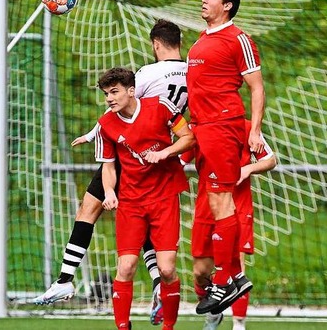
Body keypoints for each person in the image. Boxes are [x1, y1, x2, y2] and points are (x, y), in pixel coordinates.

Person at [33, 19, 187, 324]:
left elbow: (118, 108)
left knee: (87, 210)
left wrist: (93, 133)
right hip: (163, 151)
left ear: (156, 44)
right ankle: (159, 282)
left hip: (129, 151)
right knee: (140, 224)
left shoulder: (147, 74)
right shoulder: (192, 71)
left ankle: (65, 280)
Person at [186, 0, 266, 314]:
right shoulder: (201, 40)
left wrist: (256, 130)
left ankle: (226, 281)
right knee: (217, 202)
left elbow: (257, 87)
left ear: (228, 5)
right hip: (205, 129)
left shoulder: (238, 38)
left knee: (222, 201)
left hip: (223, 126)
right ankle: (231, 279)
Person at [95, 67, 195, 330]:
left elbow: (188, 138)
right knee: (125, 267)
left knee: (167, 269)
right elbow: (108, 165)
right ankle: (122, 326)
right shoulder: (106, 124)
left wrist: (166, 153)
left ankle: (168, 327)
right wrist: (108, 193)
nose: (110, 98)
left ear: (131, 91)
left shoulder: (161, 106)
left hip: (164, 198)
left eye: (114, 92)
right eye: (106, 94)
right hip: (131, 201)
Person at [181, 121, 277, 330]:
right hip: (206, 207)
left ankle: (239, 324)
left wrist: (247, 169)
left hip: (238, 207)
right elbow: (180, 158)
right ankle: (214, 313)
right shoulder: (196, 126)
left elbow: (270, 160)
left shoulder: (244, 126)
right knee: (200, 272)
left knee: (237, 269)